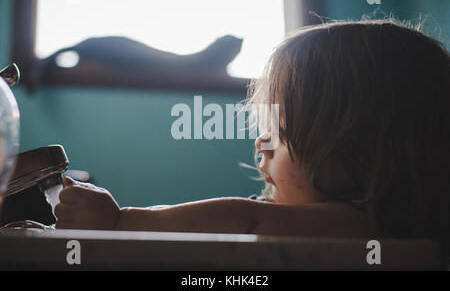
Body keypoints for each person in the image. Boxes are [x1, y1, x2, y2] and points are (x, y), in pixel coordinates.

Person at [54, 20, 450, 243]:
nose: (262, 141)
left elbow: (245, 220)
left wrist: (122, 221)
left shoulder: (367, 225)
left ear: (362, 147)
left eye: (281, 131)